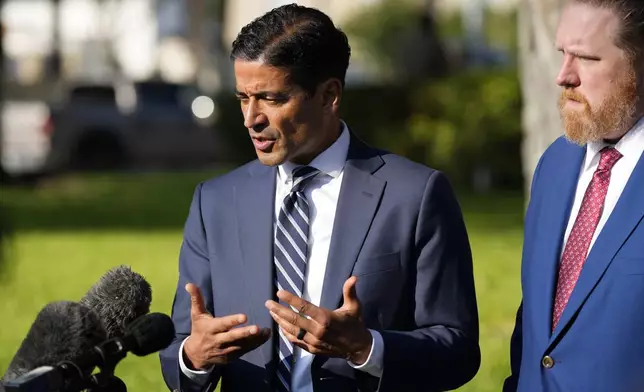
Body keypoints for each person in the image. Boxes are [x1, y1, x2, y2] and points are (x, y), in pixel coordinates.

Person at [159, 4, 480, 392]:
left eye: (271, 99)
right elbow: (179, 356)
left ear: (329, 95)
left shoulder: (415, 195)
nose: (250, 118)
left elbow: (458, 350)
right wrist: (194, 358)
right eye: (243, 97)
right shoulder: (215, 202)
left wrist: (367, 347)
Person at [504, 0, 644, 391]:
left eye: (585, 58)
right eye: (562, 54)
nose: (564, 76)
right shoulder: (556, 163)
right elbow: (536, 321)